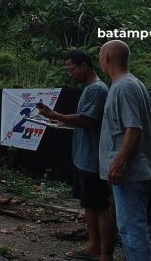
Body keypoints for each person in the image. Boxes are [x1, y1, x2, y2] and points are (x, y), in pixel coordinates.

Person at [36, 50, 115, 260]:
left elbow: (86, 120)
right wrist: (59, 120)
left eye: (72, 69)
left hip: (94, 159)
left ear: (85, 66)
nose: (70, 74)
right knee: (89, 204)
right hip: (84, 157)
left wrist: (55, 115)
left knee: (99, 207)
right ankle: (93, 246)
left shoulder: (97, 90)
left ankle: (105, 253)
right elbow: (82, 121)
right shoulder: (90, 89)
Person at [98, 40, 151, 260]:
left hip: (129, 173)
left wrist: (119, 161)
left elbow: (134, 128)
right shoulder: (135, 83)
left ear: (106, 58)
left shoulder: (122, 87)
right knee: (131, 228)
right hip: (136, 169)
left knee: (132, 231)